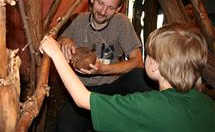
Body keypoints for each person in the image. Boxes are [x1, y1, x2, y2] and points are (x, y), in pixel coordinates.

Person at [40, 22, 215, 132]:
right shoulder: (208, 106)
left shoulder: (148, 105)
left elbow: (82, 99)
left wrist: (55, 52)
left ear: (155, 65)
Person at [55, 0, 154, 131]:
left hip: (113, 86)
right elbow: (58, 42)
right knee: (65, 128)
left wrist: (103, 70)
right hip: (83, 91)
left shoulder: (121, 23)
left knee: (140, 76)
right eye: (100, 3)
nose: (102, 12)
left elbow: (138, 61)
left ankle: (152, 116)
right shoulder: (79, 21)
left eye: (110, 8)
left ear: (118, 8)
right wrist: (65, 40)